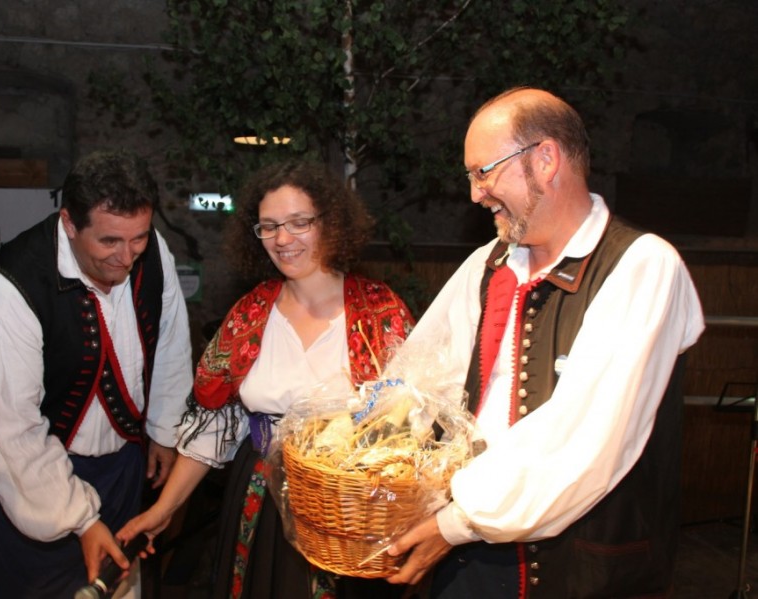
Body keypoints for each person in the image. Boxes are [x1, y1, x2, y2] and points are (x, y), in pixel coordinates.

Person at [385, 87, 705, 597]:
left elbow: (584, 437)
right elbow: (418, 381)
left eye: (483, 172)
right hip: (464, 551)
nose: (475, 194)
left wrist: (456, 522)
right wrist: (370, 447)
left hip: (576, 568)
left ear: (546, 159)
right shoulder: (488, 263)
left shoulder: (642, 265)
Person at [117, 159, 416, 598]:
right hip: (258, 503)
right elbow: (212, 432)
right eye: (269, 227)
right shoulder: (249, 316)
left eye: (299, 223)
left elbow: (412, 428)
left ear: (330, 223)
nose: (283, 239)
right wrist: (164, 509)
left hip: (346, 509)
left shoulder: (379, 312)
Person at [0, 149, 193, 598]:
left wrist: (165, 431)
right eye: (109, 241)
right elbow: (11, 431)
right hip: (27, 485)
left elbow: (170, 343)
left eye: (138, 238)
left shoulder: (151, 251)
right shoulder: (4, 296)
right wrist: (81, 520)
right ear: (69, 223)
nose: (126, 257)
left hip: (122, 471)